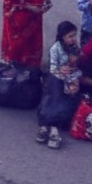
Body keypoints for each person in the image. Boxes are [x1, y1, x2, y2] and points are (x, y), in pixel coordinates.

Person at [36, 21, 82, 150]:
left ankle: (48, 127)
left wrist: (74, 73)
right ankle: (51, 127)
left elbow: (78, 67)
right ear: (62, 37)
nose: (73, 39)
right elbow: (52, 69)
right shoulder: (55, 49)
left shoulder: (76, 49)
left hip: (71, 79)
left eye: (74, 35)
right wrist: (60, 70)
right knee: (55, 96)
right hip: (56, 78)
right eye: (70, 36)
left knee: (72, 97)